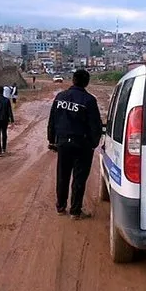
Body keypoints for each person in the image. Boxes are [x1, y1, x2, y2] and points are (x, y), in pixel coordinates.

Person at [47, 69, 102, 220]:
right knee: (79, 178)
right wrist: (93, 144)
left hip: (63, 144)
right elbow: (95, 125)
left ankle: (60, 207)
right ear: (87, 82)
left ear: (73, 80)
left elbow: (52, 120)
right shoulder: (89, 100)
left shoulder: (60, 97)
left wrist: (52, 141)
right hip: (82, 145)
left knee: (62, 176)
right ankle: (75, 211)